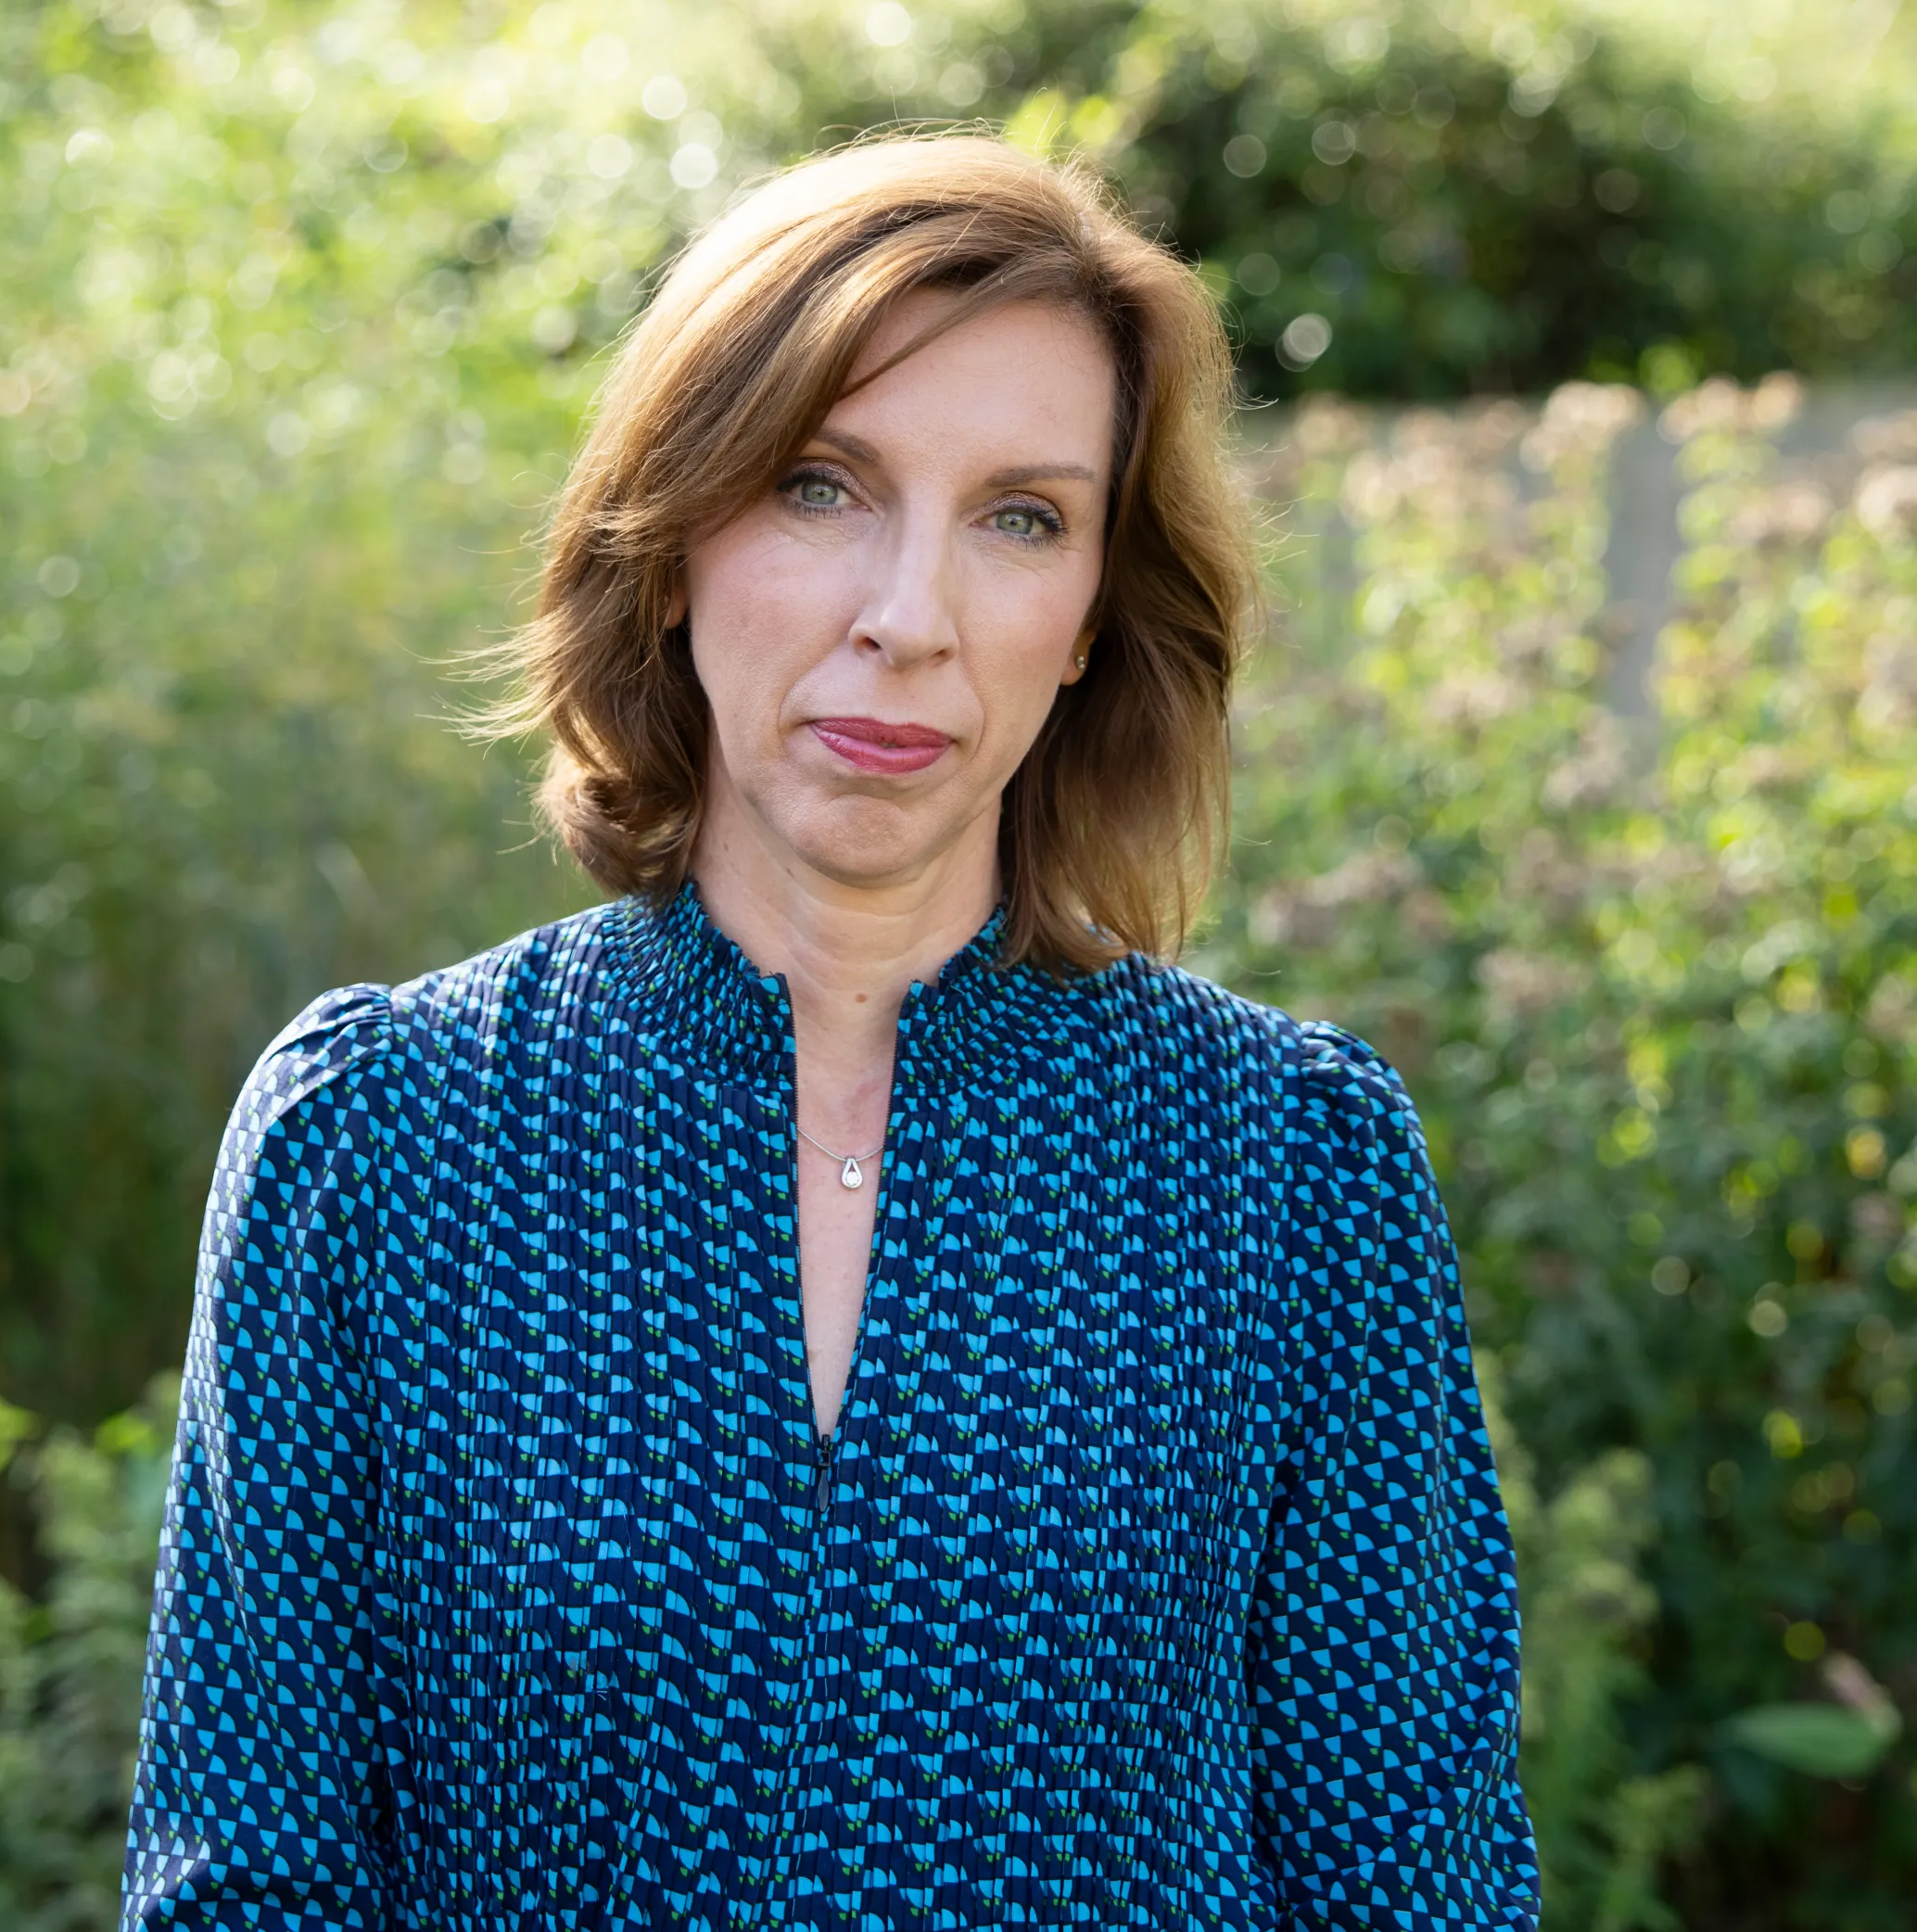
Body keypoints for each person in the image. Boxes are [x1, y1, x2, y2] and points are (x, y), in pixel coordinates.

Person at [120, 135, 1538, 1929]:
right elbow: (245, 1887)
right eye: (821, 487)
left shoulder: (1291, 1165)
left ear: (1092, 619)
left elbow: (1416, 1884)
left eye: (1021, 519)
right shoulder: (380, 1140)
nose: (909, 618)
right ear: (672, 540)